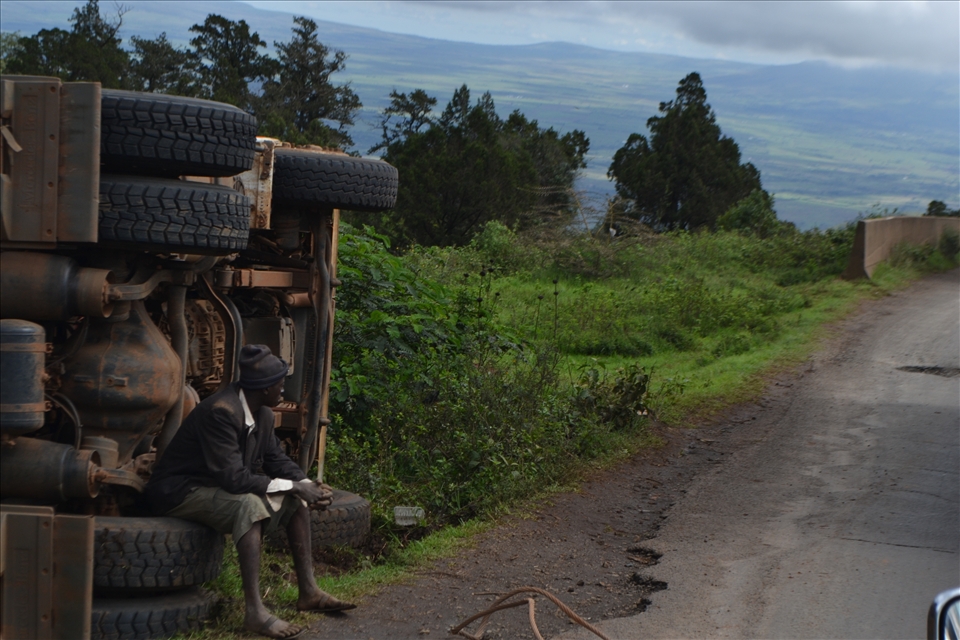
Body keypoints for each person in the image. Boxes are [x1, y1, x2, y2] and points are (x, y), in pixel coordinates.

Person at [145, 344, 354, 640]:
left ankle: (308, 592)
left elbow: (276, 460)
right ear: (265, 388)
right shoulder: (221, 412)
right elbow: (234, 479)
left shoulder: (263, 415)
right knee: (248, 506)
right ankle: (254, 611)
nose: (284, 388)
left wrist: (307, 485)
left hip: (213, 488)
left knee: (294, 500)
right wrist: (295, 486)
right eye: (280, 383)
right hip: (180, 493)